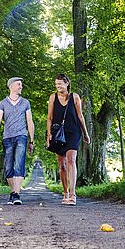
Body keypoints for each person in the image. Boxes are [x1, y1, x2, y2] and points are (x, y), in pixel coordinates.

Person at [46, 73, 90, 205]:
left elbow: (80, 116)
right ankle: (65, 192)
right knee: (62, 165)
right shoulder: (53, 97)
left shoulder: (75, 97)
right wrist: (49, 134)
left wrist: (85, 133)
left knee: (71, 160)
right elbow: (49, 117)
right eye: (56, 84)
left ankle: (73, 194)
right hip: (58, 133)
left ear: (67, 83)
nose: (58, 86)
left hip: (73, 132)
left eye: (60, 83)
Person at [0, 76, 35, 205]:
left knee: (19, 163)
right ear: (11, 86)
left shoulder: (25, 103)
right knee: (8, 166)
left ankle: (16, 194)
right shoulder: (3, 103)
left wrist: (31, 140)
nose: (21, 86)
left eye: (21, 84)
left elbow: (29, 121)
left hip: (21, 136)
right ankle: (13, 193)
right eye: (19, 84)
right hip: (7, 137)